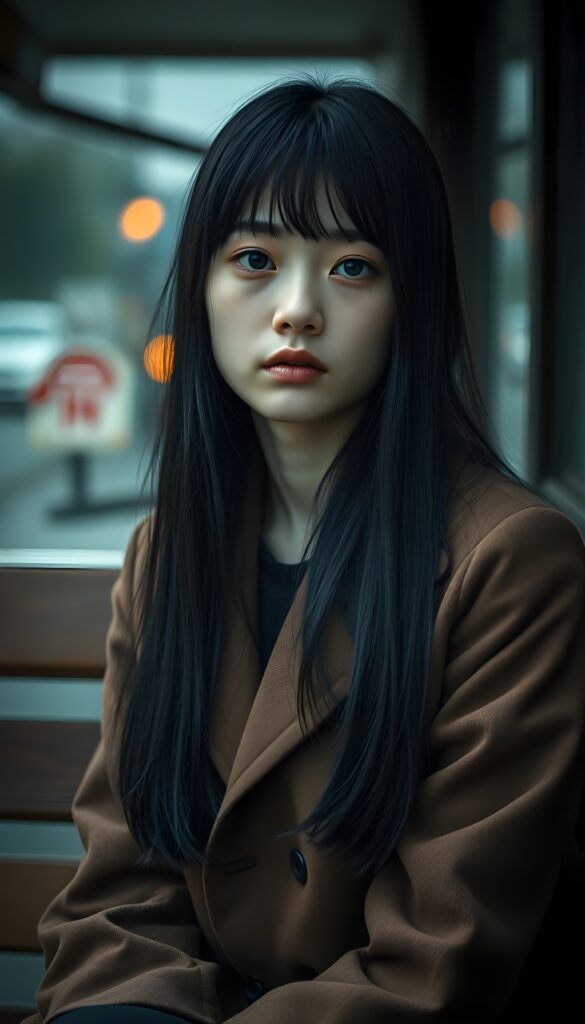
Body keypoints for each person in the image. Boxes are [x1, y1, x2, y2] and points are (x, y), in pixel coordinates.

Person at [23, 72, 585, 1024]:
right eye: (252, 258)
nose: (294, 310)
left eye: (351, 266)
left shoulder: (511, 563)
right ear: (198, 288)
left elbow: (432, 964)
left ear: (415, 302)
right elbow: (119, 897)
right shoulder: (168, 556)